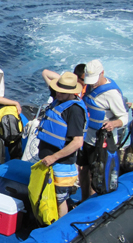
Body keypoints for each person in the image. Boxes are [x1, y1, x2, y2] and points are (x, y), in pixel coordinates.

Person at [78, 59, 128, 201]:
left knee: (97, 174)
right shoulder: (88, 87)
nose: (92, 83)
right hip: (87, 137)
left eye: (94, 80)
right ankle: (83, 199)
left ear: (102, 73)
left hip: (101, 142)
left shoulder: (111, 94)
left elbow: (124, 117)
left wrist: (114, 124)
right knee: (83, 169)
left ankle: (93, 203)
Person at [38, 72, 87, 218]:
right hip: (47, 160)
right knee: (46, 194)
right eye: (57, 89)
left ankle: (59, 227)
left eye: (62, 91)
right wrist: (61, 81)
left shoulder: (75, 111)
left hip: (61, 163)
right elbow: (45, 73)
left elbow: (78, 141)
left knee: (60, 199)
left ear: (71, 92)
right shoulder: (58, 98)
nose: (57, 92)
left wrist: (54, 157)